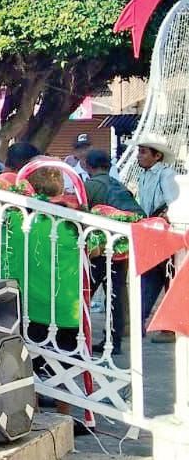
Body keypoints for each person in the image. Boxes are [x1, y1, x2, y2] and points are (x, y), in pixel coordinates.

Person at [84, 149, 144, 355]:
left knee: (85, 290)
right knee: (115, 293)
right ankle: (113, 341)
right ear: (108, 166)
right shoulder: (118, 185)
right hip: (120, 247)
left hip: (99, 248)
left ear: (87, 166)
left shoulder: (90, 186)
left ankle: (75, 334)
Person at [133, 136, 179, 341]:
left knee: (169, 278)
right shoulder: (144, 176)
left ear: (157, 155)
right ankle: (139, 322)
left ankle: (170, 329)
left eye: (143, 152)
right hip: (150, 230)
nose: (139, 156)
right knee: (150, 277)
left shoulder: (167, 174)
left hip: (166, 232)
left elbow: (173, 203)